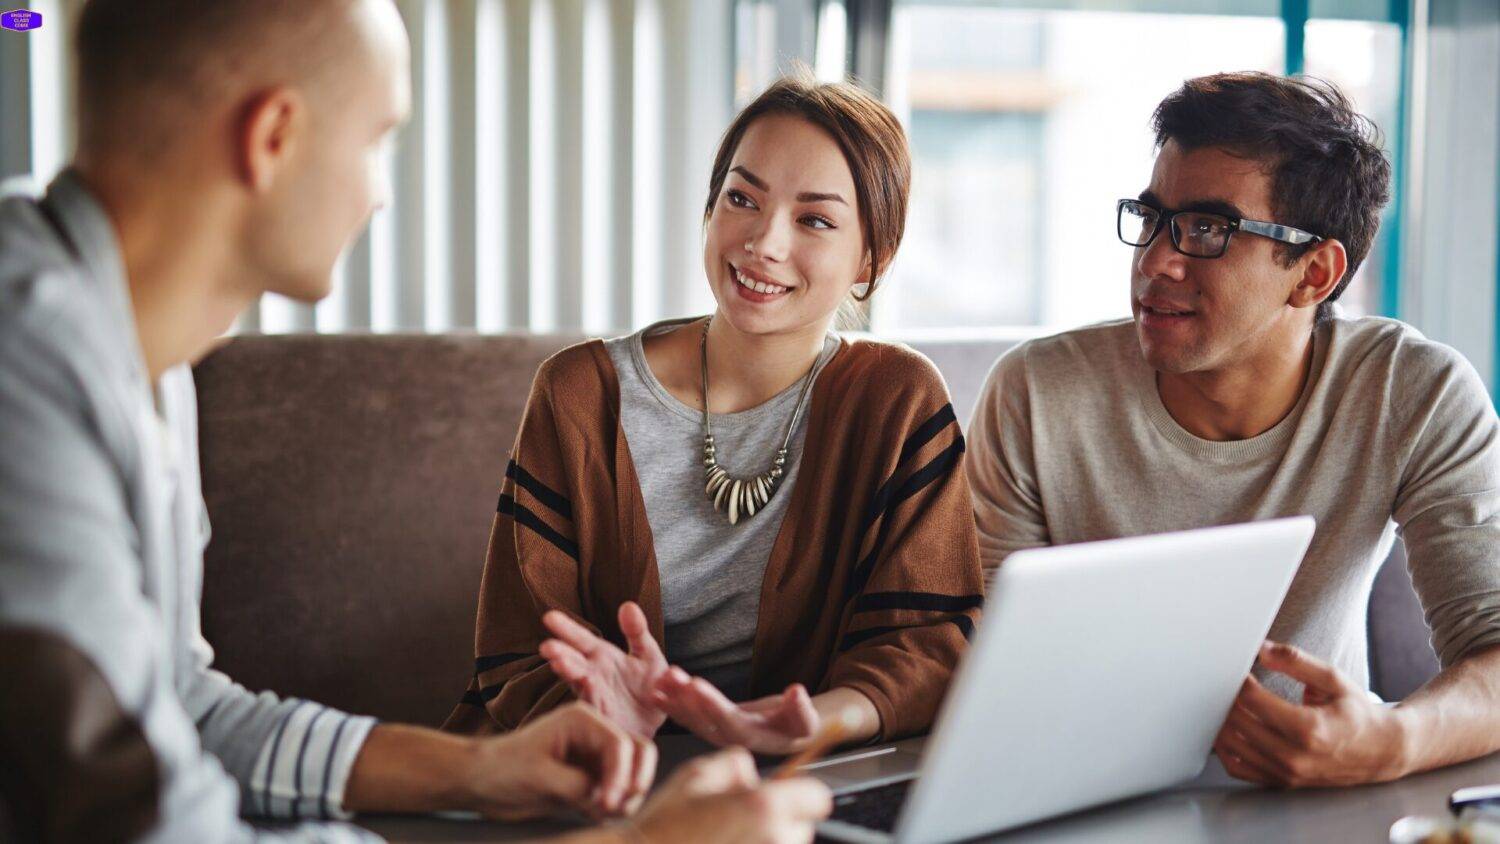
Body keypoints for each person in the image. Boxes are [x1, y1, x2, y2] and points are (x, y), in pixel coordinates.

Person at [0, 0, 829, 840]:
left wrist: (478, 768)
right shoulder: (23, 371)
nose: (382, 192)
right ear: (273, 138)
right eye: (376, 140)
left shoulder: (130, 351)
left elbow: (176, 710)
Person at [966, 71, 1500, 788]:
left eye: (1209, 230)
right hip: (1075, 798)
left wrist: (1392, 740)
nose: (1156, 261)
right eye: (1152, 218)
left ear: (1313, 273)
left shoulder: (1412, 392)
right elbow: (990, 666)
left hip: (1316, 805)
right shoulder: (1035, 393)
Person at [444, 72, 985, 755]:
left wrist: (811, 724)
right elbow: (519, 646)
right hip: (582, 772)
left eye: (814, 219)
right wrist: (613, 725)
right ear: (710, 208)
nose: (764, 242)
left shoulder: (897, 399)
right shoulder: (580, 392)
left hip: (798, 781)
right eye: (742, 198)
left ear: (872, 257)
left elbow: (929, 644)